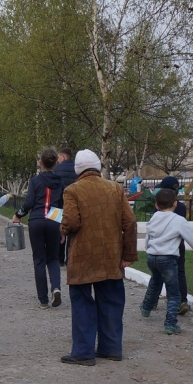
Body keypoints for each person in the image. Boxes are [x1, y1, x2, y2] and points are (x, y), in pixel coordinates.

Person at [59, 149, 138, 365]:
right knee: (112, 300)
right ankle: (111, 348)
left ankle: (83, 352)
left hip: (83, 256)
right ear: (97, 166)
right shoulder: (115, 188)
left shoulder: (72, 190)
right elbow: (130, 222)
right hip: (111, 256)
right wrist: (129, 254)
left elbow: (72, 222)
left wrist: (63, 230)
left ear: (78, 169)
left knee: (82, 301)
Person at [140, 189, 193, 334]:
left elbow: (148, 236)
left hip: (152, 257)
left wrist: (148, 249)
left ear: (156, 205)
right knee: (174, 293)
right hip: (167, 259)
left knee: (155, 282)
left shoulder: (154, 217)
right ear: (175, 204)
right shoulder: (178, 220)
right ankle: (170, 323)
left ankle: (146, 307)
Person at [14, 149, 63, 307]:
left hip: (36, 221)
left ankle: (43, 300)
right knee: (54, 258)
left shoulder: (35, 181)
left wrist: (18, 215)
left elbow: (29, 203)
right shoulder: (60, 183)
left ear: (41, 162)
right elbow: (62, 206)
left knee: (39, 260)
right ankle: (56, 288)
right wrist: (62, 227)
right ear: (56, 163)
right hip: (53, 221)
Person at [154, 176, 192, 315]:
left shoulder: (159, 207)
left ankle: (153, 301)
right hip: (178, 246)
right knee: (180, 273)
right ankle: (182, 301)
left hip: (162, 247)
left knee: (158, 275)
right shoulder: (181, 207)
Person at [53, 148, 77, 265]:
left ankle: (59, 258)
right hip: (73, 205)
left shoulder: (56, 170)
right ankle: (70, 258)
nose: (58, 160)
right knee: (72, 231)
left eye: (58, 158)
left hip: (59, 205)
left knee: (60, 230)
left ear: (63, 157)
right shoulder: (76, 169)